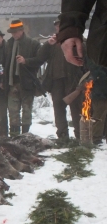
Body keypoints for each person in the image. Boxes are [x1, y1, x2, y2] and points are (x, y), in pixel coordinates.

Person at [57, 0, 107, 143]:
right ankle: (92, 138)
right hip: (96, 87)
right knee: (92, 114)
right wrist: (70, 28)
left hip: (98, 87)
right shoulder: (84, 50)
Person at [37, 20, 86, 140]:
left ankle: (79, 136)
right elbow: (40, 57)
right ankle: (62, 136)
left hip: (73, 80)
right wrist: (48, 44)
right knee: (58, 109)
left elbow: (86, 60)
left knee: (76, 109)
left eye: (61, 25)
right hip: (56, 81)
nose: (59, 28)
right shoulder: (53, 42)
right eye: (57, 26)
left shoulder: (76, 39)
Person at [3, 19, 42, 135]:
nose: (14, 34)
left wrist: (26, 61)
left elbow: (39, 61)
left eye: (16, 32)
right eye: (12, 32)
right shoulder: (8, 44)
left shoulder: (33, 44)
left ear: (22, 30)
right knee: (13, 112)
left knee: (26, 112)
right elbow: (3, 63)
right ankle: (14, 137)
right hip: (12, 83)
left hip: (27, 84)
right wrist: (2, 79)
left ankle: (25, 136)